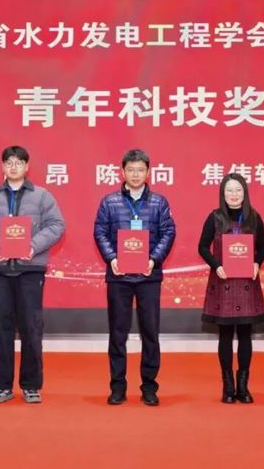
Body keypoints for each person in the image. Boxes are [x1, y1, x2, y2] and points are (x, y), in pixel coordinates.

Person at [0, 145, 65, 404]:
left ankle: (31, 385)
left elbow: (57, 225)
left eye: (18, 162)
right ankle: (2, 386)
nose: (13, 167)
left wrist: (33, 246)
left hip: (30, 270)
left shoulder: (42, 196)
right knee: (1, 329)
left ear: (27, 166)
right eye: (9, 162)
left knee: (31, 328)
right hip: (0, 271)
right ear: (3, 166)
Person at [93, 149, 176, 406]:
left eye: (140, 170)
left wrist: (153, 260)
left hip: (148, 277)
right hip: (119, 277)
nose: (136, 174)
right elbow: (100, 232)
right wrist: (112, 259)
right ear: (123, 172)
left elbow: (168, 232)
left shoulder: (159, 202)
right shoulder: (109, 202)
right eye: (131, 170)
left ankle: (149, 387)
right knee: (118, 334)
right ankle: (117, 386)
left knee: (150, 333)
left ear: (148, 172)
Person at [198, 173, 264, 404]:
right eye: (229, 190)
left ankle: (243, 386)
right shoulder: (215, 217)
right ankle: (228, 386)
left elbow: (263, 248)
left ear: (244, 193)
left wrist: (257, 263)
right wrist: (216, 265)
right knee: (226, 334)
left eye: (238, 190)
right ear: (223, 193)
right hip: (224, 282)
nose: (234, 195)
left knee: (246, 334)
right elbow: (202, 247)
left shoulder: (254, 218)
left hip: (247, 283)